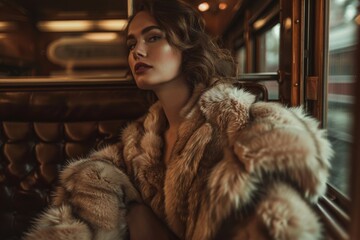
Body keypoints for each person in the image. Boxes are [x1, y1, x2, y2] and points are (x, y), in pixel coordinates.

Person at [24, 0, 333, 239]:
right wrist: (132, 211)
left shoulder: (246, 132)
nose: (138, 52)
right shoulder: (137, 146)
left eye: (153, 37)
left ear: (186, 48)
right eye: (131, 44)